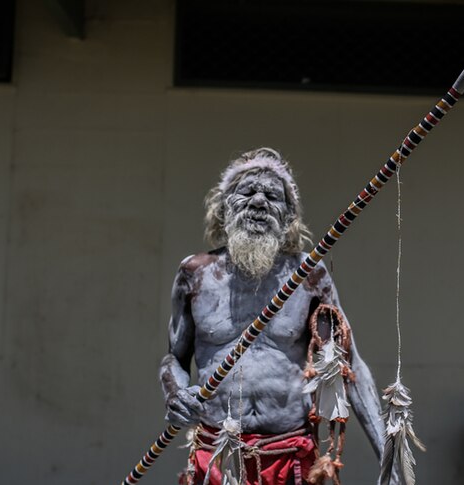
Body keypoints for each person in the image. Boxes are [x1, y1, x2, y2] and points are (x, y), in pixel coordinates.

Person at [159, 148, 384, 485]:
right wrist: (175, 393)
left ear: (289, 213)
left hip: (288, 457)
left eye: (272, 195)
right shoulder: (195, 273)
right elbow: (174, 359)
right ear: (224, 207)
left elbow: (347, 365)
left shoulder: (308, 274)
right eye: (247, 192)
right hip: (217, 454)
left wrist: (388, 458)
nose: (259, 202)